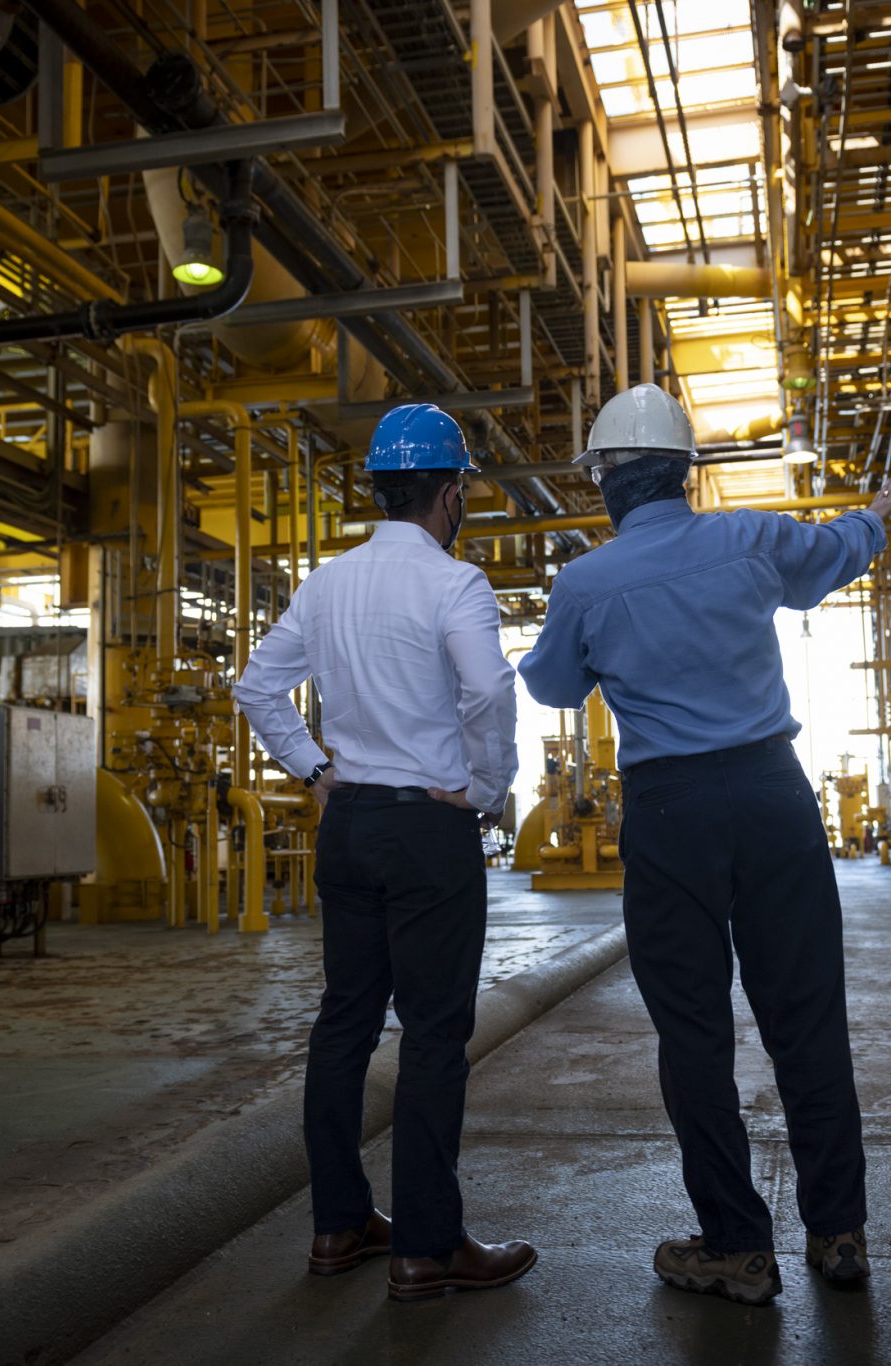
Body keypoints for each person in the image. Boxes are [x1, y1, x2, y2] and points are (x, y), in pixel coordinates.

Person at [518, 384, 891, 1306]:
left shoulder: (587, 581)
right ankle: (838, 1231)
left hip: (670, 811)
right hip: (774, 794)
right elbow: (839, 551)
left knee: (692, 1031)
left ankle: (735, 1245)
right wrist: (875, 518)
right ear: (685, 473)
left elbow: (552, 688)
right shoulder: (753, 539)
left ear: (608, 479)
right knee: (806, 1014)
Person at [235, 403, 534, 1302]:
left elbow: (256, 688)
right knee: (435, 1035)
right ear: (450, 495)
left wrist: (315, 770)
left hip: (350, 823)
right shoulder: (455, 583)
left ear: (378, 488)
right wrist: (484, 789)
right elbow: (487, 690)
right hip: (427, 827)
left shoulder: (326, 583)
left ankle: (338, 1226)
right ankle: (427, 1247)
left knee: (344, 1025)